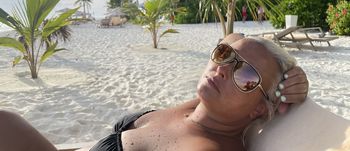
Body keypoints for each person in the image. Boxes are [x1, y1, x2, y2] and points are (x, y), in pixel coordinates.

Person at [0, 34, 308, 151]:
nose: (223, 69)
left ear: (258, 109)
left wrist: (283, 83)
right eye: (224, 55)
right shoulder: (205, 109)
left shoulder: (206, 147)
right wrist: (289, 78)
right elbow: (233, 37)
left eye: (246, 74)